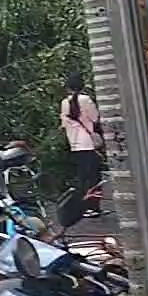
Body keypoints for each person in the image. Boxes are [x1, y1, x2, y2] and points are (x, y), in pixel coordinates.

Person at [59, 72, 105, 227]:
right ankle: (94, 207)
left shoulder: (64, 103)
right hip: (89, 143)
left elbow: (65, 124)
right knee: (93, 176)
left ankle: (83, 207)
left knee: (82, 177)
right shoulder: (86, 100)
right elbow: (95, 118)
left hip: (75, 144)